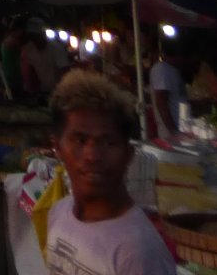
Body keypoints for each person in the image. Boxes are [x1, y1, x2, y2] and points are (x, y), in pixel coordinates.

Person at [44, 69, 177, 275]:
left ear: (128, 154)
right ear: (57, 148)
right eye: (80, 140)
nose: (92, 155)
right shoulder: (58, 214)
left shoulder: (138, 252)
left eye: (108, 142)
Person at [147, 39, 185, 139]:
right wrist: (173, 131)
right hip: (170, 133)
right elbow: (161, 103)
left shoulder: (172, 69)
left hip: (181, 128)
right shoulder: (161, 69)